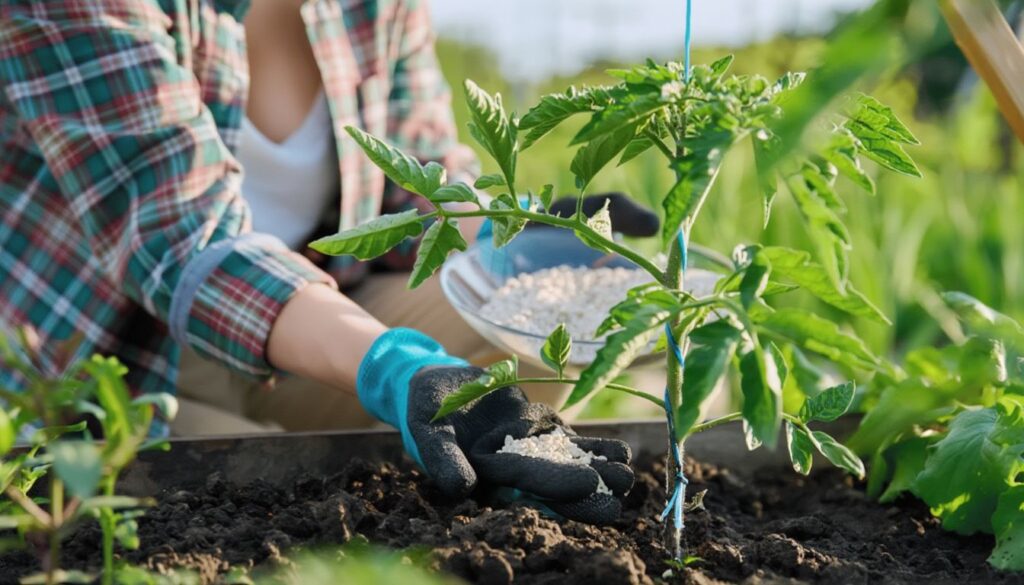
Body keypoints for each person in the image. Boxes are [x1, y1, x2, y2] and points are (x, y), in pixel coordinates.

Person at [0, 0, 656, 523]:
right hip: (123, 358)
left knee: (593, 326)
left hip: (321, 326)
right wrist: (398, 367)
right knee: (266, 493)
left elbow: (410, 194)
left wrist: (523, 227)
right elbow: (181, 239)